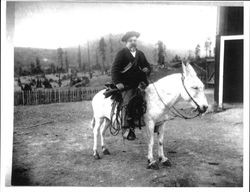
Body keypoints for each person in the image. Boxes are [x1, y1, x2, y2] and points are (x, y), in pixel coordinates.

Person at [111, 31, 151, 140]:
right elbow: (114, 70)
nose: (133, 42)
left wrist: (147, 69)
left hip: (140, 84)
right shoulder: (122, 53)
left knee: (149, 101)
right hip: (126, 85)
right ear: (126, 42)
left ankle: (148, 122)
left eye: (135, 40)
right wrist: (117, 82)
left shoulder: (140, 54)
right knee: (128, 103)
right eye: (131, 41)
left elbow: (147, 65)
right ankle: (127, 128)